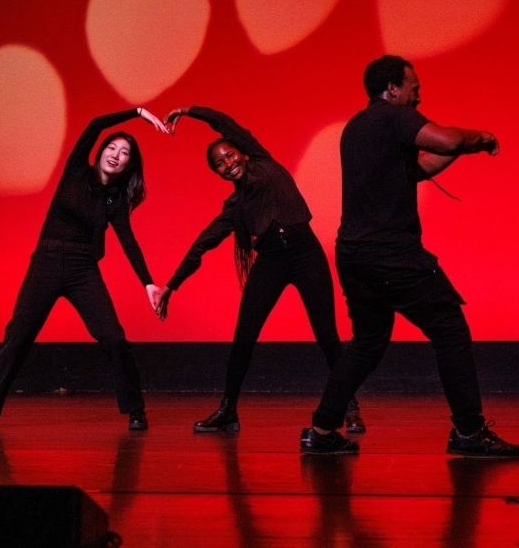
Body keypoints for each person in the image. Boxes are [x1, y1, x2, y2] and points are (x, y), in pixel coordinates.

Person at [300, 56, 519, 456]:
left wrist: (462, 151)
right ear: (392, 89)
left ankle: (321, 430)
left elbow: (420, 168)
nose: (418, 96)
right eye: (414, 88)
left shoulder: (357, 127)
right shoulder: (393, 117)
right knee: (449, 329)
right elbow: (449, 139)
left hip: (353, 254)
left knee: (367, 341)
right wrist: (481, 137)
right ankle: (469, 432)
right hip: (391, 254)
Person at [156, 106, 364, 433]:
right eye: (220, 164)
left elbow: (226, 122)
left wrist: (188, 111)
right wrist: (171, 285)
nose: (229, 164)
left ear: (241, 151)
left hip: (305, 253)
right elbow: (202, 243)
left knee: (327, 335)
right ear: (218, 173)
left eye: (230, 155)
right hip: (271, 261)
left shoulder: (262, 160)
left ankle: (349, 406)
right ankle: (228, 411)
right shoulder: (235, 207)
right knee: (244, 338)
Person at [0, 107, 167, 432]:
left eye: (125, 153)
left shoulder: (114, 200)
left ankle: (135, 409)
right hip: (46, 262)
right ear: (101, 151)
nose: (116, 155)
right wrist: (138, 112)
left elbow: (128, 240)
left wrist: (147, 283)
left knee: (114, 339)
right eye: (112, 148)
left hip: (82, 269)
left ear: (129, 165)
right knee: (17, 336)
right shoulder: (76, 171)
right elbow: (94, 123)